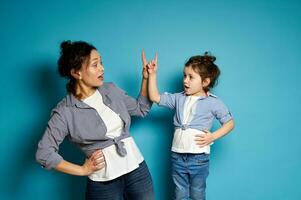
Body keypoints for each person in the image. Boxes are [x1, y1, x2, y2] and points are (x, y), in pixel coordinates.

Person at [35, 40, 155, 200]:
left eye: (101, 62)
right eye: (95, 64)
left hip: (137, 170)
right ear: (76, 73)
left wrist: (146, 78)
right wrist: (82, 170)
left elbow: (141, 108)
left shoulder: (111, 90)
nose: (102, 68)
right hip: (103, 183)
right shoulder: (64, 112)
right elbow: (44, 153)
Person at [147, 52, 235, 200]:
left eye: (191, 77)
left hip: (198, 158)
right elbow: (154, 97)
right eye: (184, 75)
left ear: (205, 82)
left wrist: (212, 136)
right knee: (179, 193)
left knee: (197, 193)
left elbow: (230, 123)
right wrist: (152, 74)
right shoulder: (179, 98)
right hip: (177, 156)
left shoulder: (213, 102)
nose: (185, 80)